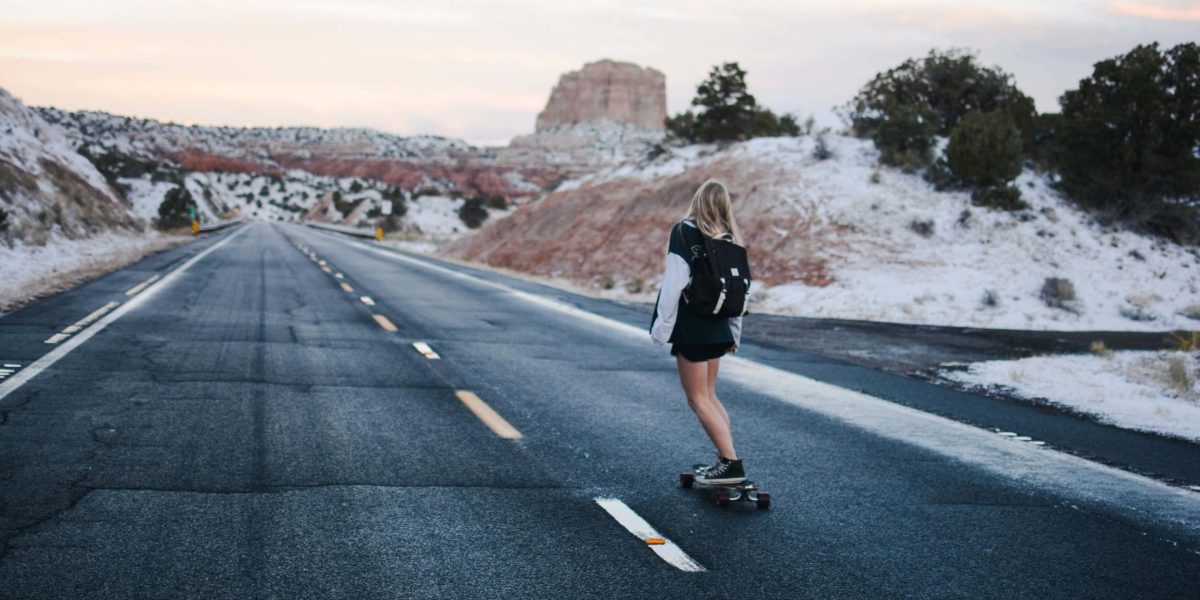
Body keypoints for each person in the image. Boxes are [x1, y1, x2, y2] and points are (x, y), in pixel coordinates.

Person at [650, 179, 746, 485]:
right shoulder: (729, 239)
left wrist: (661, 329)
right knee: (709, 395)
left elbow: (673, 284)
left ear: (697, 201)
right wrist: (734, 335)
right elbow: (740, 293)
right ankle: (725, 459)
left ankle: (731, 463)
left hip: (692, 328)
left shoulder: (683, 232)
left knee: (697, 399)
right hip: (718, 327)